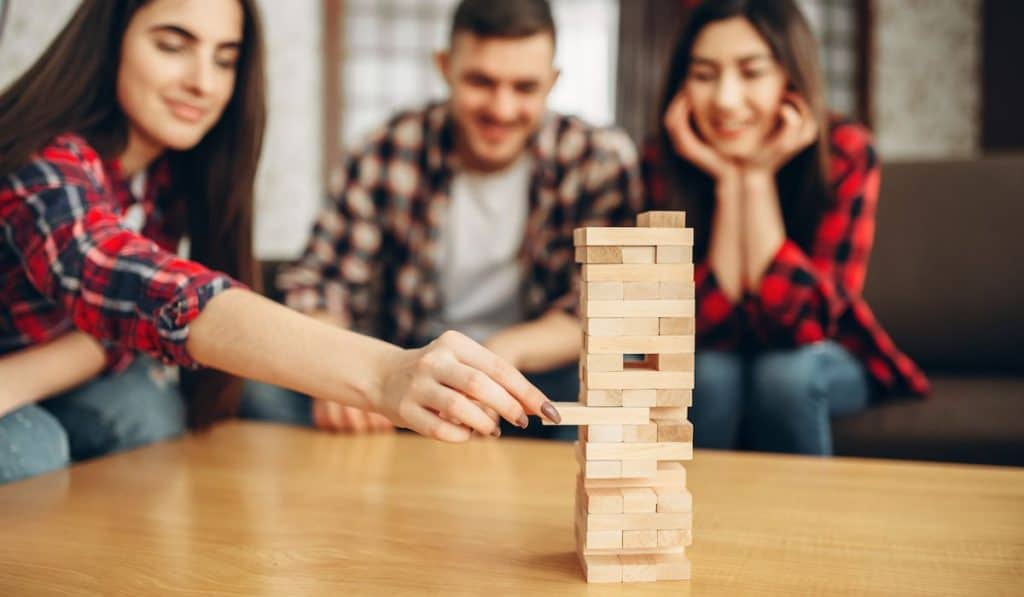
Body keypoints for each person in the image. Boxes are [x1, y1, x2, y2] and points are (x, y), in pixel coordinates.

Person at [0, 0, 559, 485]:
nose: (204, 81)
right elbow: (131, 285)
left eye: (225, 58)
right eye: (173, 46)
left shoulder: (167, 174)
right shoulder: (46, 166)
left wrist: (21, 380)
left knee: (154, 406)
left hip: (54, 363)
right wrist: (381, 374)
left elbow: (120, 319)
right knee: (39, 445)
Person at [241, 0, 643, 438]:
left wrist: (499, 355)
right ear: (445, 67)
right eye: (480, 82)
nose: (502, 109)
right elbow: (320, 283)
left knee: (609, 391)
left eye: (524, 88)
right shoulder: (387, 148)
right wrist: (345, 375)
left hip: (534, 378)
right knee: (256, 390)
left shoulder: (598, 161)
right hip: (408, 375)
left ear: (552, 82)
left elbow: (602, 309)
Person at [642, 0, 929, 455]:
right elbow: (690, 326)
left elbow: (804, 325)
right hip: (717, 357)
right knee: (708, 374)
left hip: (825, 356)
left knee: (784, 375)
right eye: (703, 75)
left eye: (752, 72)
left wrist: (755, 178)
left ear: (791, 78)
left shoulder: (845, 151)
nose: (725, 99)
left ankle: (803, 528)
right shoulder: (665, 158)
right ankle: (688, 522)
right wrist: (729, 182)